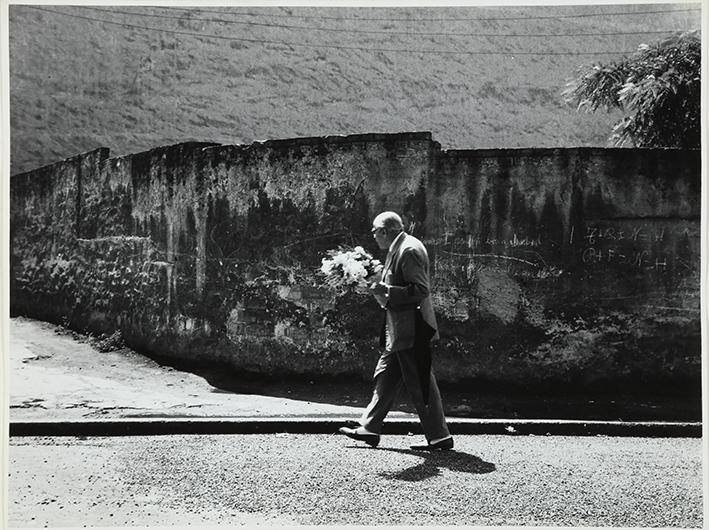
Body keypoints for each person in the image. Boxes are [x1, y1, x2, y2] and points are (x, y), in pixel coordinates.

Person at [339, 211, 453, 451]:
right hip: (399, 327)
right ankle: (370, 427)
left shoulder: (408, 250)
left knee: (421, 382)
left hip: (411, 327)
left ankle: (440, 436)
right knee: (386, 376)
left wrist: (385, 289)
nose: (372, 235)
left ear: (385, 231)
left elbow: (420, 289)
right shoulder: (399, 246)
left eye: (375, 230)